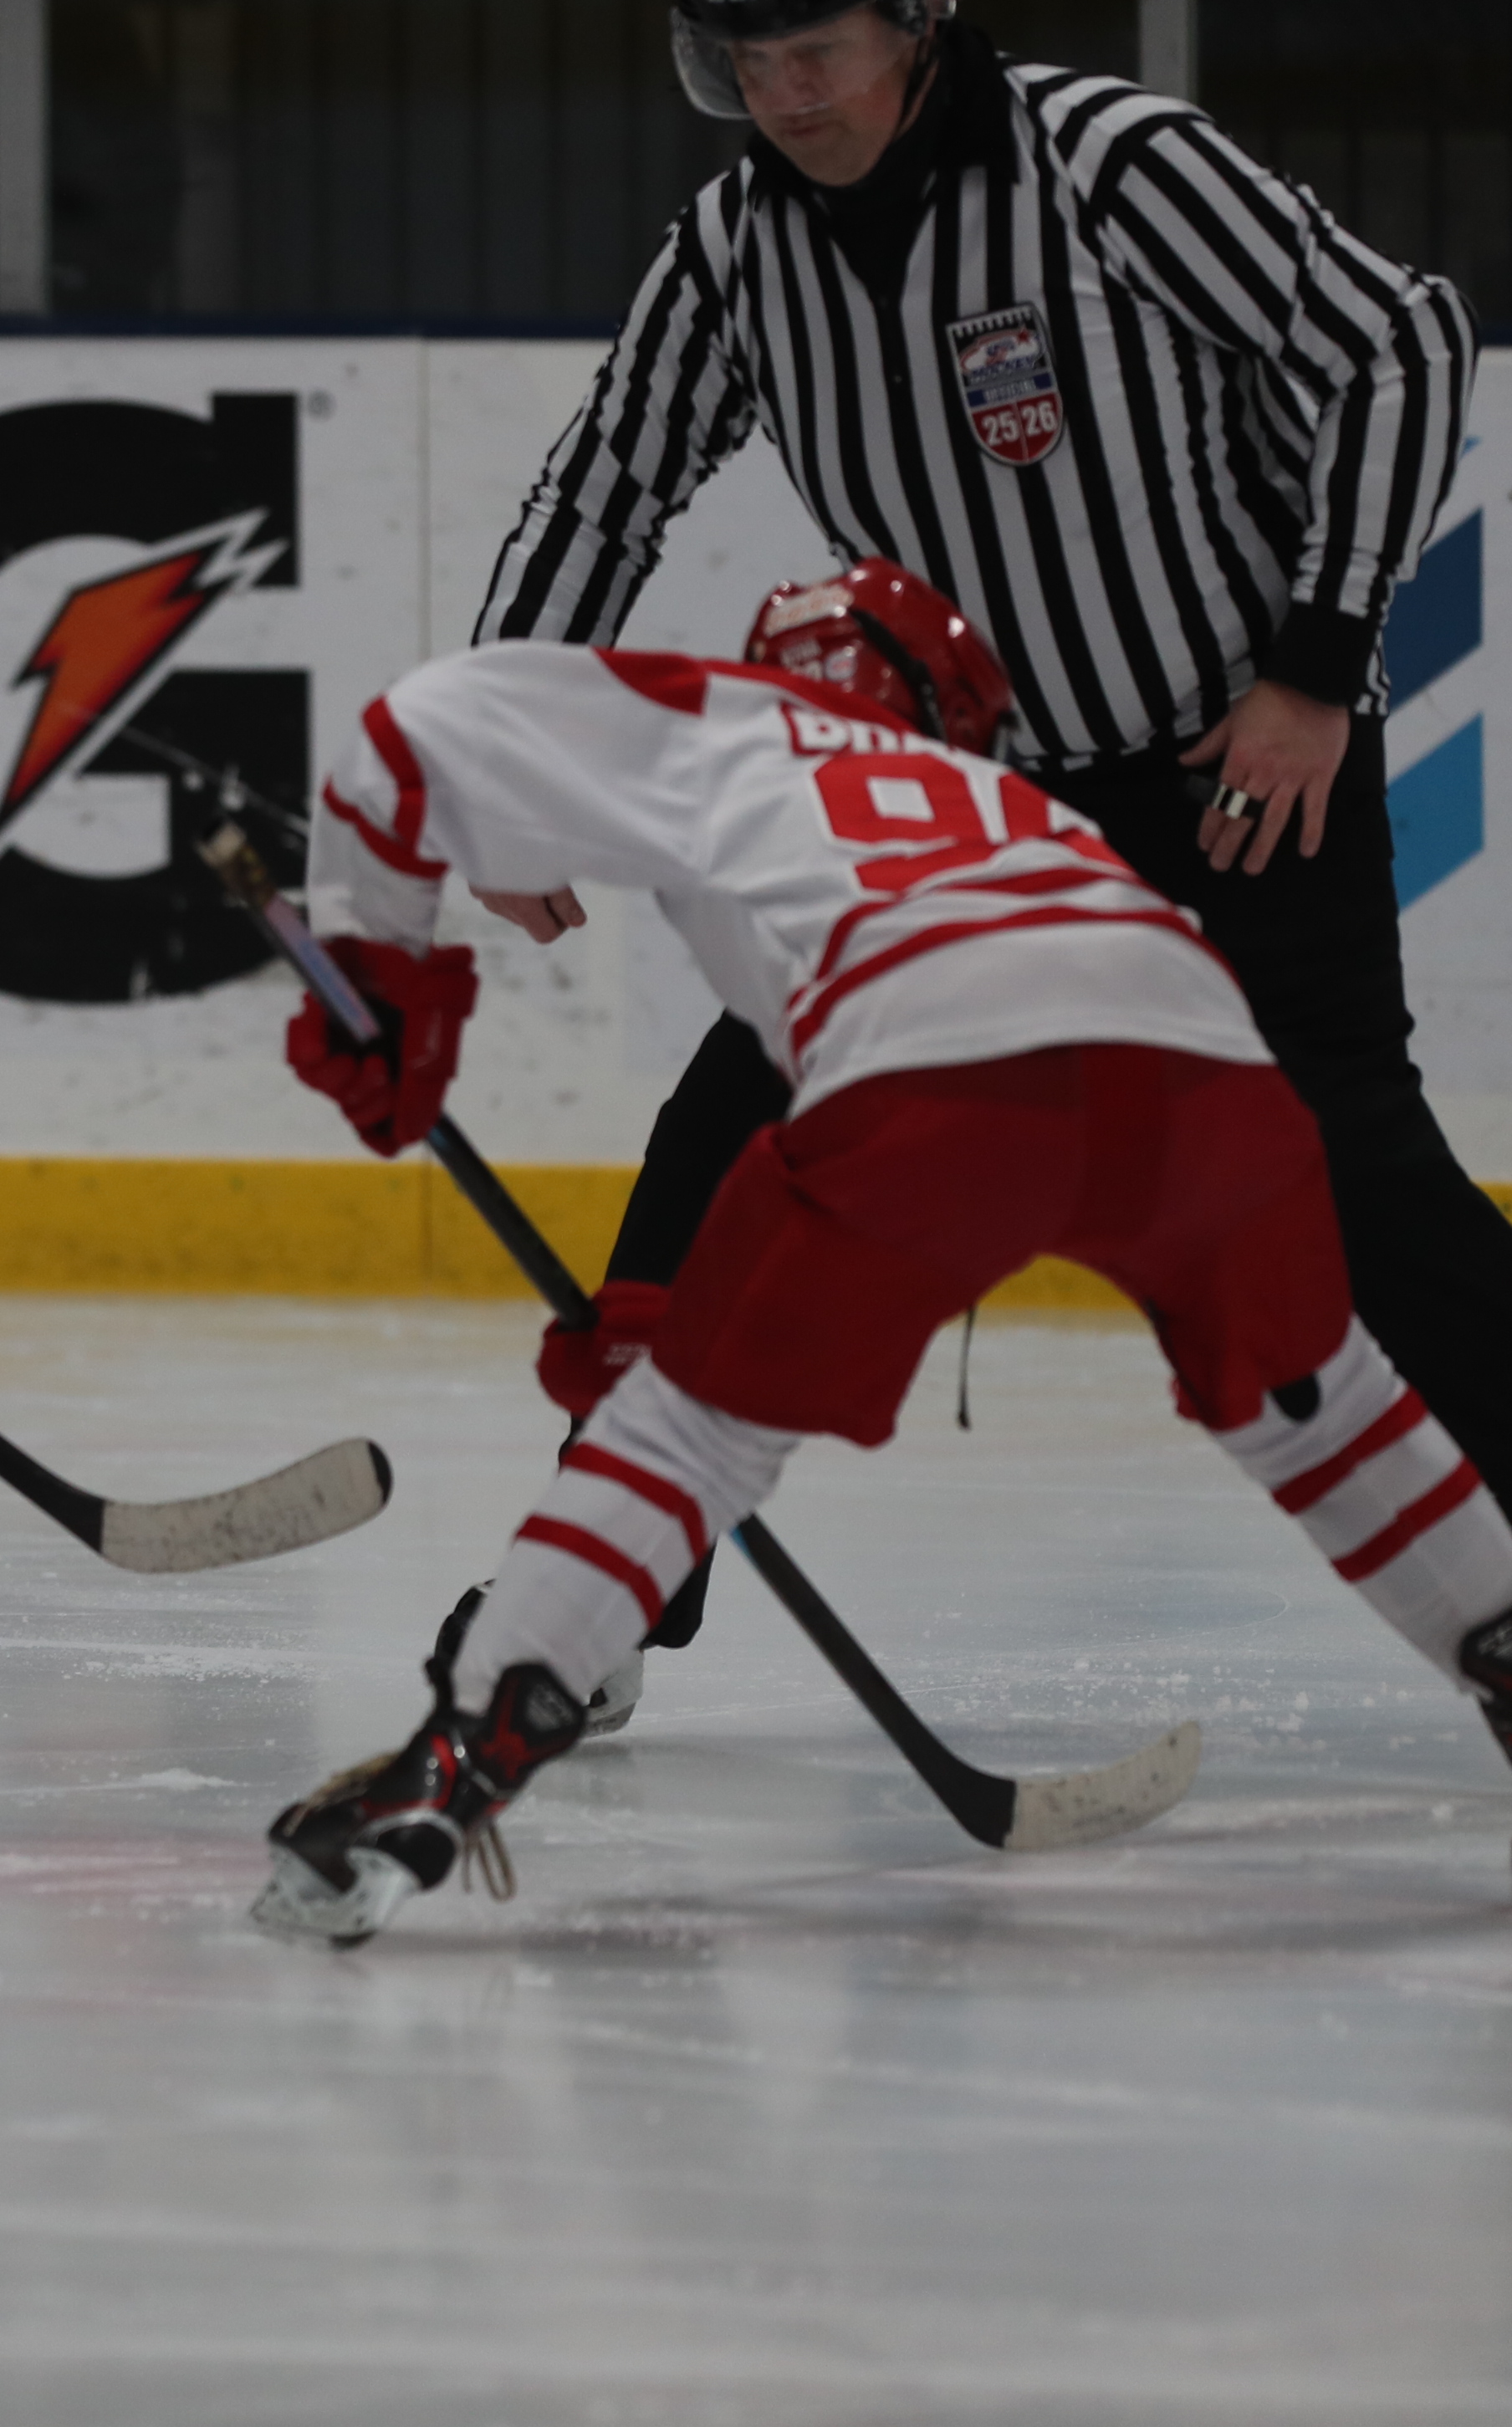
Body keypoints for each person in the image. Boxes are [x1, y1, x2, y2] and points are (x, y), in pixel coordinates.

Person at [253, 562, 1512, 1946]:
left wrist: (377, 972)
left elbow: (414, 728)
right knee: (1319, 1407)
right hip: (1201, 1048)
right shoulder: (1010, 805)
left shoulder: (724, 723)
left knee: (683, 1441)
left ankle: (447, 1770)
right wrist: (674, 1309)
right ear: (957, 716)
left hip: (930, 1057)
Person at [476, 0, 1499, 1696]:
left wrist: (1316, 669)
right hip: (978, 810)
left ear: (915, 21)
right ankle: (596, 1612)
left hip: (1230, 768)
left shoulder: (1110, 166)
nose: (782, 94)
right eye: (743, 61)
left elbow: (1396, 343)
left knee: (1346, 1180)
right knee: (733, 1150)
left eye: (814, 48)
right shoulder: (732, 252)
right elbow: (605, 485)